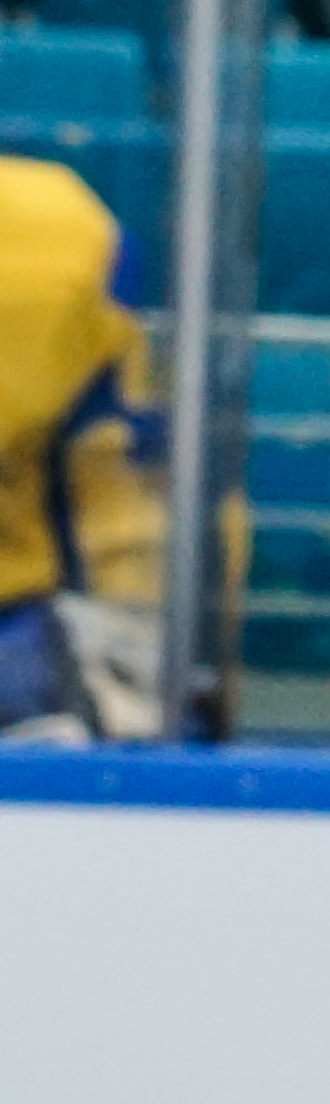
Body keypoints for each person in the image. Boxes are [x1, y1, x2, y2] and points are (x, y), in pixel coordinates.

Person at [0, 142, 158, 742]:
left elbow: (115, 469)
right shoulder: (61, 229)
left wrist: (130, 651)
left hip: (22, 635)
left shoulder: (63, 235)